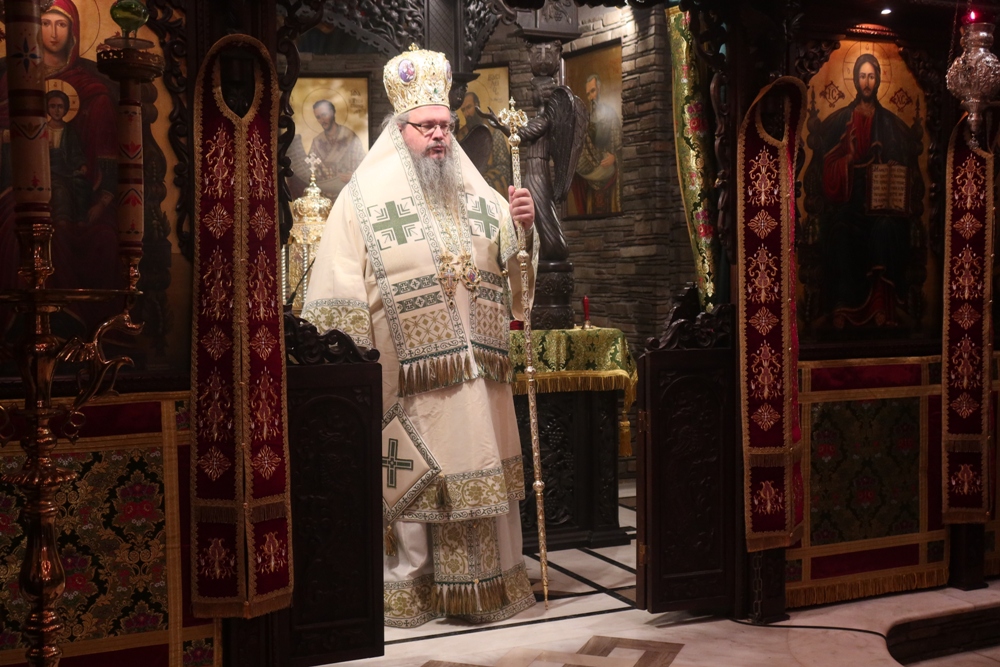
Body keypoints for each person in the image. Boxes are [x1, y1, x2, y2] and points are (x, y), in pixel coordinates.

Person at [301, 47, 538, 628]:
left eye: (444, 125)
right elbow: (336, 287)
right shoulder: (363, 199)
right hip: (405, 380)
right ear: (399, 128)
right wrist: (354, 369)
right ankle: (414, 588)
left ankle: (488, 585)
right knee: (413, 474)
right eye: (425, 126)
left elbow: (513, 276)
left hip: (478, 379)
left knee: (477, 462)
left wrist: (523, 229)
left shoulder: (480, 194)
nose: (438, 136)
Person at [0, 0, 121, 339]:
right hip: (15, 185)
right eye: (46, 22)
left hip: (77, 189)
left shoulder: (93, 90)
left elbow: (103, 157)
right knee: (12, 223)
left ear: (74, 31)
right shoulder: (10, 80)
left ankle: (73, 323)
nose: (53, 32)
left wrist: (102, 198)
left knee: (98, 235)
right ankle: (22, 320)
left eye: (62, 24)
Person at [804, 53, 923, 329]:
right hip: (849, 201)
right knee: (840, 231)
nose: (867, 82)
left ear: (878, 80)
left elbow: (903, 169)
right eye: (862, 76)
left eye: (871, 76)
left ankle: (881, 306)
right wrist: (847, 160)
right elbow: (827, 167)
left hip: (880, 204)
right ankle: (842, 306)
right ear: (855, 80)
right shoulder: (841, 120)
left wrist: (893, 169)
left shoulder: (889, 123)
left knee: (885, 228)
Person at [570, 73, 622, 215]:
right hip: (592, 179)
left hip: (610, 177)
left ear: (599, 88)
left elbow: (619, 146)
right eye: (588, 94)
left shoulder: (611, 115)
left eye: (593, 91)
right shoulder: (585, 121)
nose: (591, 97)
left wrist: (614, 158)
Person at [45, 89, 91, 226]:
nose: (56, 110)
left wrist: (82, 164)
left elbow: (76, 152)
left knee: (80, 184)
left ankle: (80, 220)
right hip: (49, 170)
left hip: (67, 168)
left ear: (65, 109)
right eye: (53, 106)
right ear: (47, 108)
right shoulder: (43, 129)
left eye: (60, 106)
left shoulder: (69, 130)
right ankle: (62, 221)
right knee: (60, 190)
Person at [455, 91, 512, 197]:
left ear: (477, 105)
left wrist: (484, 181)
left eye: (469, 107)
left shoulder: (494, 131)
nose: (467, 113)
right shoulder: (461, 135)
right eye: (463, 110)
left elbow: (504, 167)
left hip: (489, 188)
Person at [308, 99, 366, 200]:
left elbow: (363, 166)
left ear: (333, 112)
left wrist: (353, 176)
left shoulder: (350, 137)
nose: (322, 120)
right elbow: (312, 169)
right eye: (318, 117)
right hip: (324, 198)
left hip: (348, 195)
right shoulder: (317, 142)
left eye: (324, 115)